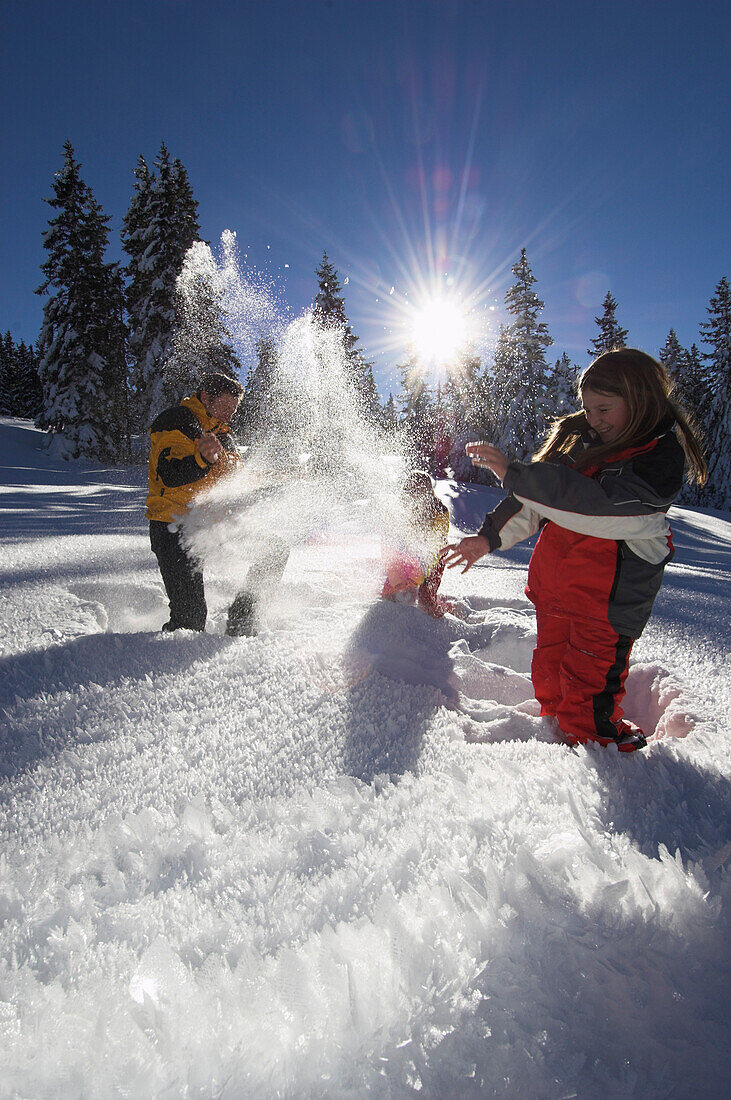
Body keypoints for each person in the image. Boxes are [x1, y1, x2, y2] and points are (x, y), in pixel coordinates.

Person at [442, 349, 707, 752]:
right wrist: (487, 538)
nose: (595, 420)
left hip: (605, 608)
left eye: (604, 409)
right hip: (557, 593)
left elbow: (595, 508)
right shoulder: (587, 445)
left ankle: (603, 756)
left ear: (640, 402)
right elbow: (536, 505)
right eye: (588, 409)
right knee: (549, 677)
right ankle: (554, 738)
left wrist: (517, 474)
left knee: (588, 690)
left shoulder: (656, 463)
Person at [146, 372, 288, 636]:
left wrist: (274, 476)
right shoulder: (177, 421)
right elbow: (169, 474)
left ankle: (242, 620)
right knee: (190, 622)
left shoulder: (223, 436)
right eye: (225, 407)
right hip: (173, 525)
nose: (229, 414)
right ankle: (163, 656)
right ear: (206, 397)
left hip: (213, 523)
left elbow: (236, 479)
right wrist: (201, 460)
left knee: (273, 551)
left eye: (233, 409)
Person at [381, 470, 452, 618]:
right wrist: (396, 578)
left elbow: (436, 547)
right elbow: (388, 545)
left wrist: (419, 575)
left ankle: (438, 613)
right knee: (388, 596)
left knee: (426, 601)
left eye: (419, 490)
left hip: (432, 559)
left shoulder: (439, 510)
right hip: (405, 555)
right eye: (411, 490)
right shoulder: (398, 509)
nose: (415, 494)